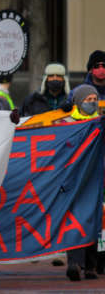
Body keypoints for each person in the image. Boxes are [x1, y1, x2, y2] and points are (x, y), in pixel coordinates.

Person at [64, 84, 100, 281]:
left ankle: (91, 266)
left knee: (93, 221)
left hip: (95, 179)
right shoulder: (67, 123)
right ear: (79, 102)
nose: (92, 102)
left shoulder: (100, 122)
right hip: (75, 179)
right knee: (74, 220)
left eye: (95, 99)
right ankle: (74, 263)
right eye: (88, 100)